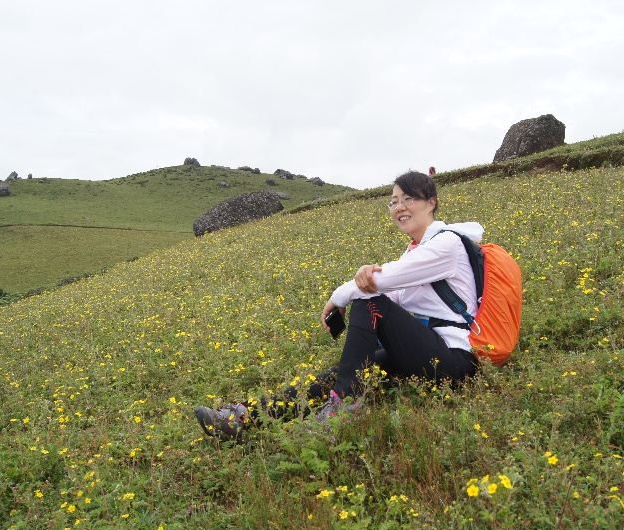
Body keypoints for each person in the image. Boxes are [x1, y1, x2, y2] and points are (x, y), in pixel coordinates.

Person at [195, 170, 483, 438]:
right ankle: (243, 417)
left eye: (408, 198)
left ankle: (342, 410)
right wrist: (363, 283)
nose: (399, 207)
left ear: (431, 203)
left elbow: (378, 288)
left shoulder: (447, 245)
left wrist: (340, 295)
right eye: (394, 201)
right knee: (345, 373)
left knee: (368, 302)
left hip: (453, 361)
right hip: (423, 353)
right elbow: (391, 293)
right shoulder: (415, 253)